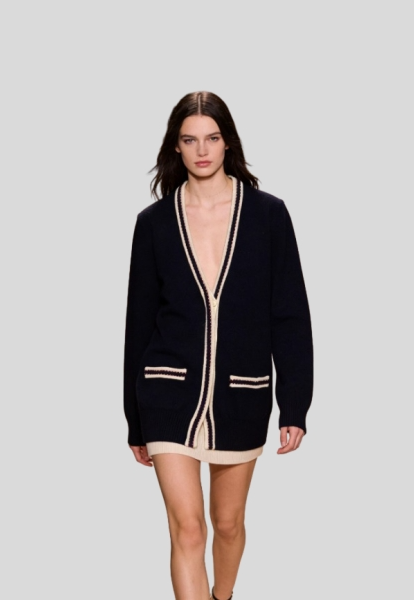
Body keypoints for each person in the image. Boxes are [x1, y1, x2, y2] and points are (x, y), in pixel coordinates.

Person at [123, 91, 313, 600]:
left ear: (227, 142)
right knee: (188, 530)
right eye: (190, 140)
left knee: (227, 524)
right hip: (166, 392)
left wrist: (295, 404)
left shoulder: (269, 216)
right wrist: (134, 420)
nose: (202, 150)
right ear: (176, 146)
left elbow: (290, 314)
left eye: (211, 138)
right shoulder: (154, 223)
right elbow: (137, 324)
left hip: (241, 392)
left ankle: (221, 596)